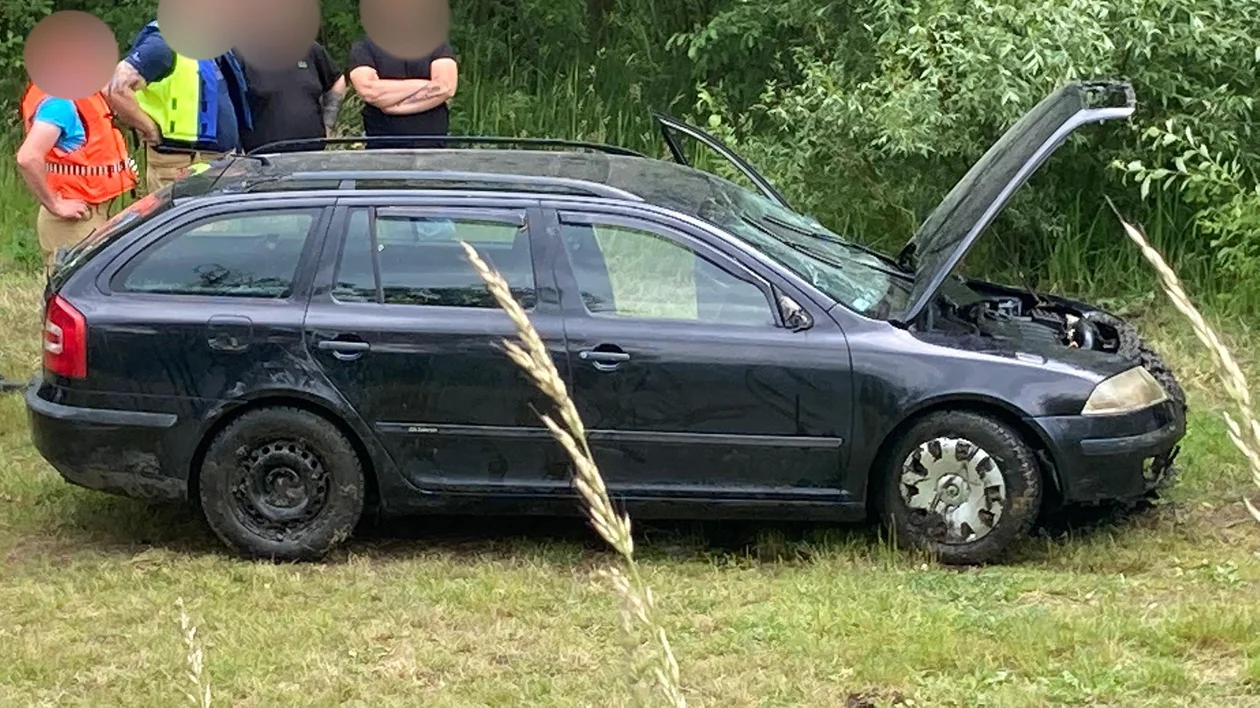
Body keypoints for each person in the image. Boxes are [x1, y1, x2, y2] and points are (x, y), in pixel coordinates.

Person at [105, 21, 252, 193]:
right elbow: (116, 89)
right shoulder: (163, 43)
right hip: (180, 163)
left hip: (218, 162)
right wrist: (148, 128)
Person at [16, 81, 137, 273]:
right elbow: (28, 157)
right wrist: (55, 204)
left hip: (93, 210)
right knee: (74, 291)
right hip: (76, 219)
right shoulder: (60, 102)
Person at [346, 35, 458, 149]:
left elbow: (446, 87)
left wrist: (392, 106)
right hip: (382, 150)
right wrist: (425, 85)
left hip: (432, 147)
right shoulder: (363, 47)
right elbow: (370, 91)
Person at [239, 42, 347, 153]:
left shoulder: (310, 49)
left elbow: (337, 81)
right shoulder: (241, 55)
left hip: (313, 153)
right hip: (262, 156)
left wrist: (328, 123)